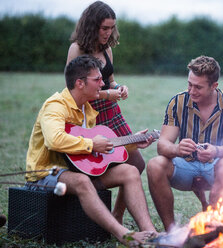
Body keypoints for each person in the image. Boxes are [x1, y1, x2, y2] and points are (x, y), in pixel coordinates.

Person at [25, 55, 156, 246]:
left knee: (130, 170)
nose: (103, 84)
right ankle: (123, 234)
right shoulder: (55, 106)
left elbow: (97, 148)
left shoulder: (88, 109)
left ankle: (150, 231)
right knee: (82, 181)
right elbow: (55, 140)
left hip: (79, 171)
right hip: (45, 174)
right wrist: (92, 144)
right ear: (80, 83)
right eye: (97, 80)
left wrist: (133, 143)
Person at [66, 1, 145, 224]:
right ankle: (93, 213)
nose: (108, 33)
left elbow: (109, 80)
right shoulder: (77, 49)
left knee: (137, 163)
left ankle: (117, 215)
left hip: (112, 113)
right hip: (89, 115)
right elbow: (72, 91)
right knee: (97, 167)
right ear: (92, 26)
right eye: (104, 28)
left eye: (111, 28)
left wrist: (119, 87)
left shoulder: (107, 48)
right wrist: (105, 95)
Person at [147, 55, 223, 231]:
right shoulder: (178, 101)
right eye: (189, 84)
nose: (192, 91)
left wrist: (216, 150)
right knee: (155, 165)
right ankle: (172, 231)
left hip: (215, 165)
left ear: (214, 86)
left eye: (198, 87)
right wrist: (177, 149)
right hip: (185, 166)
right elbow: (162, 145)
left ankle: (212, 230)